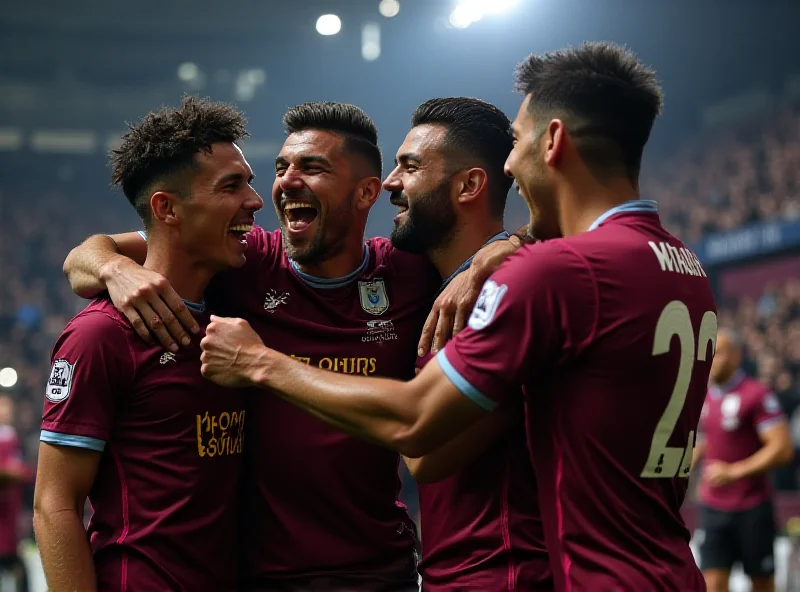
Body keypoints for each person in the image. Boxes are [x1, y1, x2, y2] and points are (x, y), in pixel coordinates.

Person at [199, 42, 717, 591]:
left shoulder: (548, 275)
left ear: (554, 140)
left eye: (518, 143)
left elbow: (419, 437)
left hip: (518, 574)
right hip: (664, 566)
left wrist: (259, 363)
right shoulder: (682, 265)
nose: (511, 166)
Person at [63, 101, 498, 590]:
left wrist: (506, 247)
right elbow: (91, 252)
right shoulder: (243, 261)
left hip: (379, 571)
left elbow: (501, 244)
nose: (286, 181)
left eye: (312, 167)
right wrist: (113, 268)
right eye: (281, 167)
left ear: (366, 193)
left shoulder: (408, 274)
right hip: (257, 575)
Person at [33, 96, 263, 591]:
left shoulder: (235, 304)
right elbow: (55, 505)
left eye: (250, 181)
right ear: (167, 208)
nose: (255, 201)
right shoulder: (100, 334)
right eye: (232, 186)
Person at [386, 96, 550, 591]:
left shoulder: (506, 292)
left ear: (469, 185)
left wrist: (270, 367)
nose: (390, 183)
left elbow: (424, 451)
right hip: (454, 571)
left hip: (506, 572)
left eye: (409, 167)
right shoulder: (433, 284)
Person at [692, 328, 794, 592]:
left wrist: (734, 472)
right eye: (709, 354)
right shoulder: (703, 397)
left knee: (761, 584)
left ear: (736, 356)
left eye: (719, 353)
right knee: (712, 583)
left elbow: (782, 449)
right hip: (713, 507)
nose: (711, 359)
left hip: (752, 507)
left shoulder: (756, 395)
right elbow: (705, 441)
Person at [0, 394, 29, 592]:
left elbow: (21, 471)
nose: (6, 411)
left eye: (8, 407)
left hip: (11, 510)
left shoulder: (12, 436)